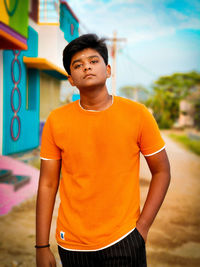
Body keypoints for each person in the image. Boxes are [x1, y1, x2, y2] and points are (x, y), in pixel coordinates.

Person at [36, 33, 171, 267]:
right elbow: (47, 184)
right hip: (71, 244)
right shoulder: (56, 120)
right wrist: (41, 246)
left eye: (93, 61)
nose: (86, 67)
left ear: (108, 70)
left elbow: (162, 172)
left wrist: (142, 229)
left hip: (124, 238)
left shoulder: (137, 114)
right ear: (71, 79)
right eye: (77, 65)